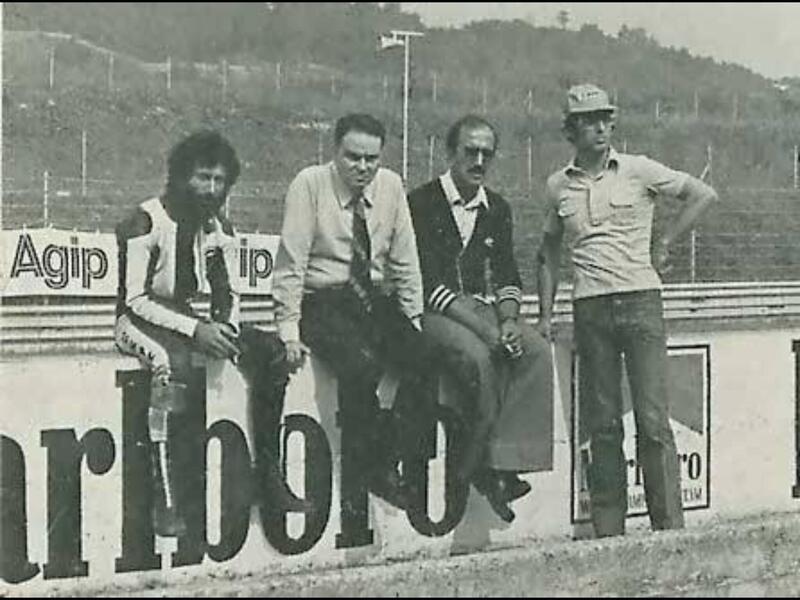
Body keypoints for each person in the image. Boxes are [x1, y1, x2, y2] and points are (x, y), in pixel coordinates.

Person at [537, 83, 718, 537]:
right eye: (588, 121)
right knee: (602, 426)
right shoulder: (558, 185)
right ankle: (608, 536)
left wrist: (665, 241)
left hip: (641, 303)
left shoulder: (639, 170)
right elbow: (548, 251)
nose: (599, 128)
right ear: (571, 130)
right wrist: (544, 315)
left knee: (653, 422)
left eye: (605, 119)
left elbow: (702, 194)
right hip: (590, 308)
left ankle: (669, 532)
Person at [114, 130, 305, 536]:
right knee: (172, 364)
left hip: (187, 319)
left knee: (272, 352)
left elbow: (228, 291)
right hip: (139, 322)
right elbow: (135, 300)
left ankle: (269, 476)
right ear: (181, 175)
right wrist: (197, 330)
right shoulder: (144, 221)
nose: (212, 189)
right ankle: (164, 498)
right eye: (203, 177)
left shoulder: (219, 227)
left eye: (220, 180)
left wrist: (226, 330)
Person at [272, 113, 436, 511]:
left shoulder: (391, 186)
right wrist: (288, 331)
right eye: (353, 157)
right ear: (335, 151)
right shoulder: (310, 184)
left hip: (373, 300)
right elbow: (291, 263)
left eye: (371, 158)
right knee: (361, 366)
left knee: (426, 359)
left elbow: (406, 261)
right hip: (322, 300)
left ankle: (387, 458)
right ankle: (371, 468)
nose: (362, 167)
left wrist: (412, 323)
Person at [408, 115, 554, 523]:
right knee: (480, 358)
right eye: (470, 151)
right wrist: (488, 333)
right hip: (435, 311)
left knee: (536, 352)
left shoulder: (497, 207)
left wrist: (508, 321)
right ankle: (478, 467)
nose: (478, 161)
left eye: (486, 154)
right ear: (450, 153)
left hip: (481, 309)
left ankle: (507, 463)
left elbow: (507, 275)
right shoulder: (420, 202)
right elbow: (426, 283)